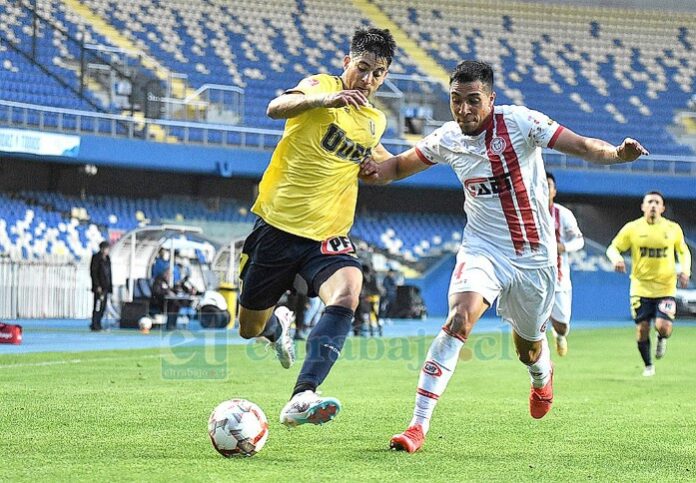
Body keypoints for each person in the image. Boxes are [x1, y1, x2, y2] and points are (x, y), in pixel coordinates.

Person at [359, 60, 648, 453]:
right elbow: (394, 167)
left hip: (534, 258)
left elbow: (581, 146)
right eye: (456, 101)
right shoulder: (447, 138)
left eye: (472, 101)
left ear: (491, 100)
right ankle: (416, 426)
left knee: (527, 347)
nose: (463, 110)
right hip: (483, 249)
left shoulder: (521, 123)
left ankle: (541, 377)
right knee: (459, 319)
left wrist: (616, 154)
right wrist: (369, 170)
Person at [237, 27, 397, 427]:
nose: (368, 79)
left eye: (378, 73)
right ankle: (276, 329)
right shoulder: (319, 86)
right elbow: (276, 107)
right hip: (278, 227)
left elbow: (383, 167)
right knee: (249, 327)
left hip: (328, 234)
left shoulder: (375, 121)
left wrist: (435, 154)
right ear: (347, 63)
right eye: (362, 68)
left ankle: (303, 393)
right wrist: (326, 99)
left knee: (347, 294)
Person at [606, 191, 691, 377]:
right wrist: (616, 259)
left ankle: (662, 338)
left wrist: (686, 270)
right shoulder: (632, 228)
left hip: (666, 287)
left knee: (663, 326)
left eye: (657, 202)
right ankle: (648, 366)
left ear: (662, 208)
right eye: (649, 202)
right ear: (643, 206)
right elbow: (613, 247)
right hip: (640, 286)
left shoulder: (672, 228)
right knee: (642, 329)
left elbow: (683, 251)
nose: (653, 205)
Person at [546, 172, 584, 356]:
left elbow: (579, 241)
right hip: (531, 275)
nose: (544, 189)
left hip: (559, 278)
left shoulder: (563, 214)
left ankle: (559, 334)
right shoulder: (525, 213)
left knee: (562, 325)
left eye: (548, 186)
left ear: (554, 191)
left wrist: (563, 246)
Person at [89, 241, 112, 331]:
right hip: (99, 287)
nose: (107, 250)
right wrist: (97, 285)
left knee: (103, 307)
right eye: (106, 248)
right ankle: (95, 324)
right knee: (97, 306)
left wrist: (110, 286)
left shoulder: (108, 259)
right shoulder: (96, 258)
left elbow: (109, 273)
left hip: (106, 286)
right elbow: (93, 273)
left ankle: (99, 323)